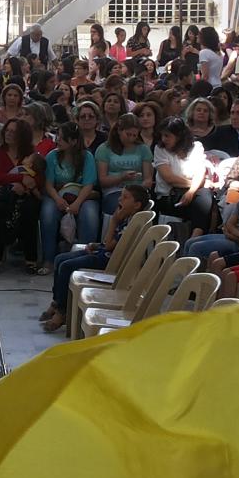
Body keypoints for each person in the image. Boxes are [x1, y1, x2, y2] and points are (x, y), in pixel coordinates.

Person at [40, 184, 151, 333]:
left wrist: (113, 221)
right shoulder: (128, 217)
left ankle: (62, 312)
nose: (120, 199)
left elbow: (111, 245)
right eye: (121, 195)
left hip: (108, 261)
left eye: (125, 197)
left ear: (137, 205)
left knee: (66, 266)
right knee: (60, 259)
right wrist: (96, 245)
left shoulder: (131, 222)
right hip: (104, 253)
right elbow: (108, 243)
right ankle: (57, 302)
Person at [39, 121, 101, 272]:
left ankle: (83, 258)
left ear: (73, 141)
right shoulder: (52, 156)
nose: (57, 140)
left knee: (89, 215)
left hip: (82, 196)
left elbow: (88, 184)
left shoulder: (87, 157)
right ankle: (48, 259)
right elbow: (48, 184)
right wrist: (58, 199)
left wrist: (77, 203)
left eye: (61, 138)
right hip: (56, 195)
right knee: (48, 213)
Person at [0, 118, 44, 273]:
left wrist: (24, 185)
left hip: (26, 194)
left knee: (29, 209)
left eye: (13, 132)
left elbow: (38, 178)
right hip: (4, 194)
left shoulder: (31, 153)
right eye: (7, 130)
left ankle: (30, 259)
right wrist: (20, 179)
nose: (8, 134)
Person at [184, 173, 239, 264]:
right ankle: (181, 274)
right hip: (231, 238)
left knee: (195, 248)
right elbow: (229, 224)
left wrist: (231, 234)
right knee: (189, 242)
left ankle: (192, 276)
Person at [153, 117, 212, 234]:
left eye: (167, 136)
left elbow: (200, 172)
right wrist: (195, 185)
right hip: (170, 194)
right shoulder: (160, 149)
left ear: (179, 136)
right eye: (162, 135)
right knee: (202, 201)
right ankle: (196, 237)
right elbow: (169, 178)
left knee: (205, 197)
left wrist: (191, 192)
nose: (164, 139)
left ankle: (195, 237)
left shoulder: (196, 147)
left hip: (193, 193)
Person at [95, 113, 153, 217]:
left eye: (134, 135)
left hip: (137, 192)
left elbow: (148, 179)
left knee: (139, 206)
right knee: (121, 206)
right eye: (128, 134)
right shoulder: (104, 149)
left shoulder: (143, 149)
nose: (131, 138)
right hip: (114, 190)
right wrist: (121, 177)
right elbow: (103, 181)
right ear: (119, 131)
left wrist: (140, 188)